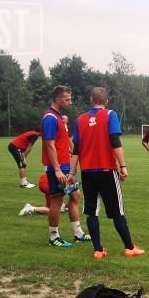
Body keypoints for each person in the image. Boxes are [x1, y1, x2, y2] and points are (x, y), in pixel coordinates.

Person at [70, 87, 145, 259]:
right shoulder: (110, 114)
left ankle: (98, 250)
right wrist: (123, 166)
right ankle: (129, 247)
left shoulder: (80, 119)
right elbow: (114, 141)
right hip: (106, 170)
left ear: (91, 100)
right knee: (117, 211)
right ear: (107, 101)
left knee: (91, 211)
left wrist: (72, 173)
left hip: (87, 172)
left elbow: (76, 149)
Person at [41, 85, 91, 247]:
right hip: (58, 168)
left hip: (65, 165)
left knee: (75, 195)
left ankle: (78, 234)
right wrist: (57, 169)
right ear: (58, 99)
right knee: (56, 200)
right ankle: (53, 237)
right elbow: (49, 145)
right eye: (67, 99)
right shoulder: (50, 118)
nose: (70, 102)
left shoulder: (58, 117)